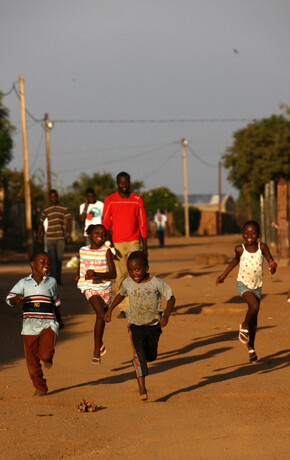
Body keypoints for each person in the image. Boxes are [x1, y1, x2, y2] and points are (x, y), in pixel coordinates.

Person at [104, 251, 175, 400]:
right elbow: (121, 294)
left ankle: (142, 360)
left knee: (150, 356)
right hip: (135, 325)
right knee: (138, 355)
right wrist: (110, 309)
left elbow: (171, 298)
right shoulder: (127, 283)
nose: (133, 273)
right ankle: (142, 389)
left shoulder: (156, 283)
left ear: (146, 268)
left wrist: (166, 316)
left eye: (137, 269)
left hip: (153, 326)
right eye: (130, 270)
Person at [216, 220, 277, 362]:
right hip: (243, 284)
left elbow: (271, 262)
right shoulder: (239, 249)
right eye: (247, 233)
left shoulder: (263, 247)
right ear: (243, 234)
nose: (250, 235)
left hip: (257, 286)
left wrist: (272, 267)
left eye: (253, 233)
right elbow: (235, 261)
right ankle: (243, 325)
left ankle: (251, 349)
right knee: (254, 306)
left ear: (259, 235)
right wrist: (223, 275)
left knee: (254, 321)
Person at [5, 251, 63, 396]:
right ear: (32, 264)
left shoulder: (51, 282)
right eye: (42, 262)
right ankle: (40, 387)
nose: (46, 266)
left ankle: (48, 356)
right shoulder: (23, 283)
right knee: (31, 361)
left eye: (48, 263)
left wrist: (60, 320)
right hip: (29, 327)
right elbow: (9, 299)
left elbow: (56, 303)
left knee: (44, 354)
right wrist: (16, 299)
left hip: (48, 323)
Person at [102, 172, 148, 316]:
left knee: (137, 275)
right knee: (121, 275)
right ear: (117, 183)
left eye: (126, 182)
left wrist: (144, 248)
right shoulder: (110, 199)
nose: (124, 185)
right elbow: (106, 223)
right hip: (117, 244)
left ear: (129, 182)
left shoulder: (137, 199)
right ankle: (123, 307)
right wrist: (109, 244)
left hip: (134, 242)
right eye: (121, 182)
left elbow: (142, 223)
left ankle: (135, 305)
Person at [73, 224, 116, 364]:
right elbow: (82, 263)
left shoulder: (106, 251)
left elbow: (113, 273)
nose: (101, 235)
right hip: (89, 287)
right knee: (100, 313)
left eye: (104, 234)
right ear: (89, 235)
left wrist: (97, 274)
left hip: (105, 288)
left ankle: (99, 342)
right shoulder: (82, 250)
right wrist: (77, 274)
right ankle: (96, 350)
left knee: (101, 318)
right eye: (97, 232)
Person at [37, 189, 72, 285]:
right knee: (52, 259)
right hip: (50, 237)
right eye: (52, 197)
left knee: (59, 259)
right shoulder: (46, 209)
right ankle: (53, 279)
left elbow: (68, 222)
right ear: (49, 198)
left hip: (60, 237)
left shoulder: (63, 208)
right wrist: (39, 236)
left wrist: (69, 235)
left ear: (57, 197)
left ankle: (58, 278)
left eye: (55, 197)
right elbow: (41, 222)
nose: (54, 199)